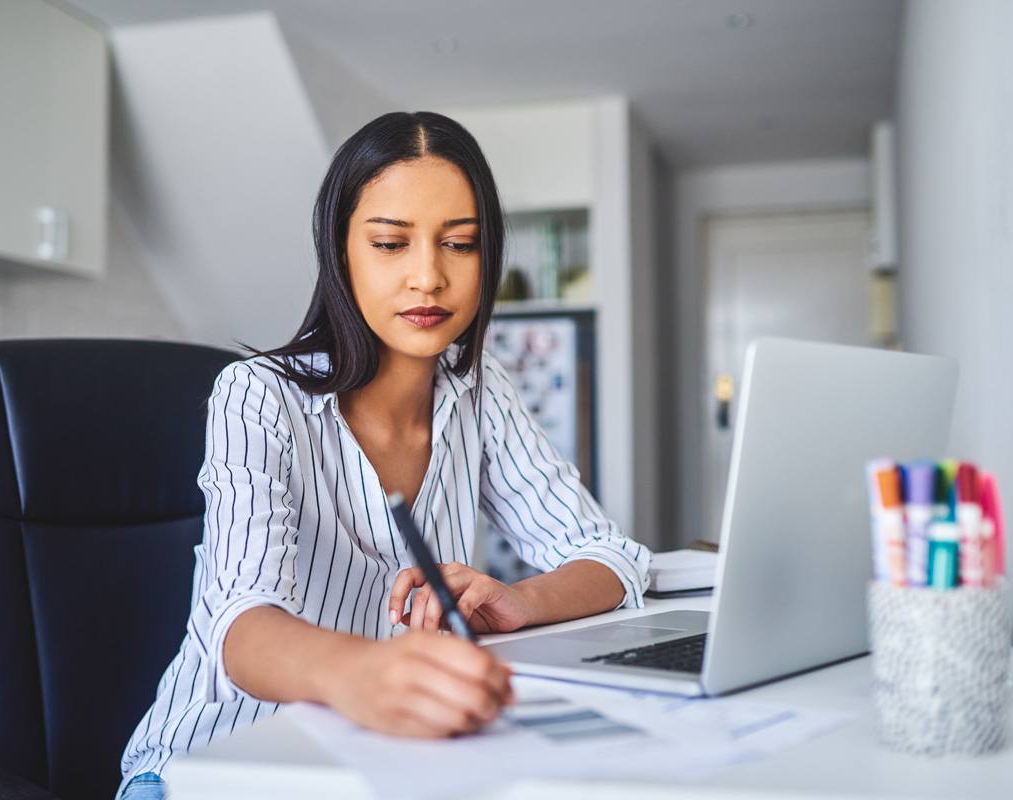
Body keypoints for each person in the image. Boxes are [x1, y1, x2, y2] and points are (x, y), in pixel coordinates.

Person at [116, 111, 652, 799]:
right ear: (342, 253)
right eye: (391, 244)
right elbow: (240, 625)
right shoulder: (257, 396)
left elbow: (612, 558)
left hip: (385, 765)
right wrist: (361, 672)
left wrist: (519, 600)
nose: (428, 277)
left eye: (459, 244)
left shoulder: (481, 390)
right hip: (215, 765)